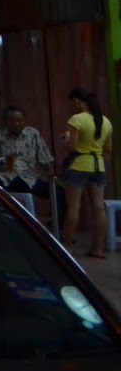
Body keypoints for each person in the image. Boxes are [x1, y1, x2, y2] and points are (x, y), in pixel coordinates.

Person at [59, 87, 114, 259]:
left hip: (79, 166)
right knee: (99, 208)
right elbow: (108, 149)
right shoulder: (106, 121)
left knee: (73, 208)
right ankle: (97, 249)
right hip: (98, 168)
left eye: (73, 103)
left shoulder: (77, 119)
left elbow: (73, 147)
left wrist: (65, 140)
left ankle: (66, 248)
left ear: (77, 101)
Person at [0, 104, 55, 203]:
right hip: (4, 177)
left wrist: (51, 177)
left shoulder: (32, 134)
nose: (18, 124)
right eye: (14, 121)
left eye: (21, 120)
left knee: (58, 192)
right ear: (5, 122)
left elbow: (45, 160)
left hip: (28, 178)